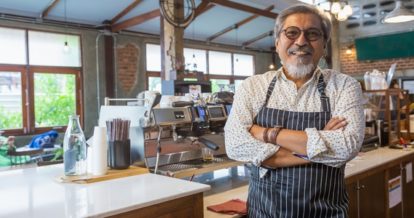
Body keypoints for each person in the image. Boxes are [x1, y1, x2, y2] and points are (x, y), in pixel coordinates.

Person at [224, 4, 364, 218]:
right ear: (277, 42)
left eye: (313, 34)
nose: (301, 41)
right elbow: (235, 145)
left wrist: (267, 134)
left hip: (326, 213)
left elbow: (346, 147)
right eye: (291, 33)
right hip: (264, 213)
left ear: (324, 45)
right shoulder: (252, 86)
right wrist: (320, 149)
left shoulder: (344, 86)